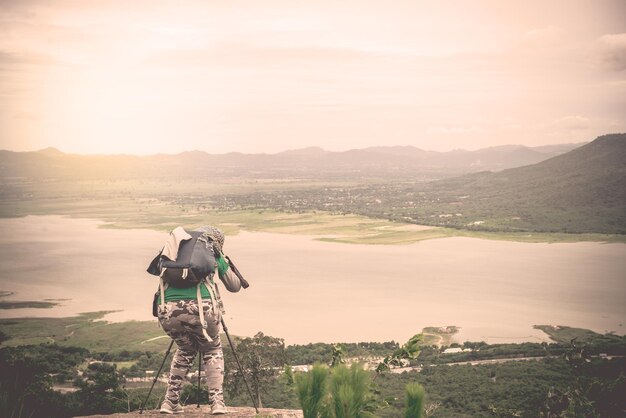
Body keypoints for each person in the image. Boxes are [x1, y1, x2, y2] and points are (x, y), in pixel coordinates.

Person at [157, 225, 241, 415]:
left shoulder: (175, 247)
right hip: (201, 310)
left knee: (185, 348)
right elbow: (234, 286)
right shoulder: (211, 249)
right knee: (212, 347)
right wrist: (222, 260)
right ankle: (217, 403)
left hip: (167, 310)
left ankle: (169, 403)